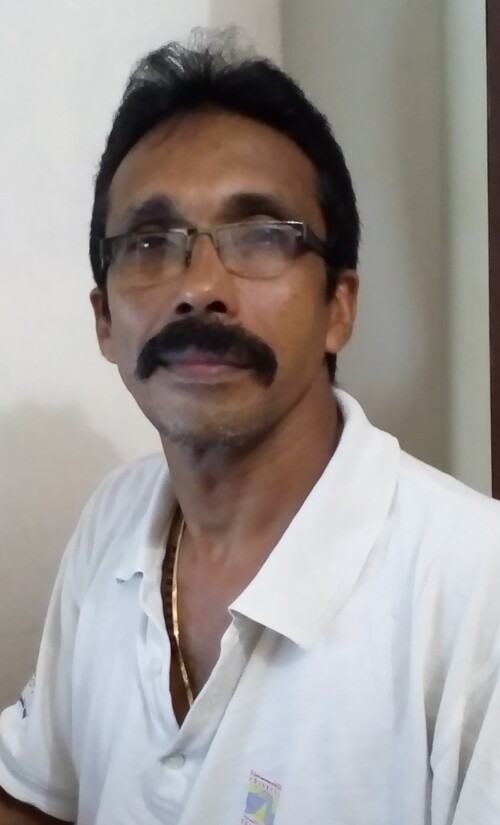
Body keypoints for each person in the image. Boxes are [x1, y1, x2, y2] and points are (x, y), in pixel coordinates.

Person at [1, 32, 499, 825]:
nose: (200, 287)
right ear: (104, 321)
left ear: (340, 306)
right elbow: (36, 794)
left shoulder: (474, 591)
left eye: (263, 234)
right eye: (150, 243)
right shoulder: (112, 523)